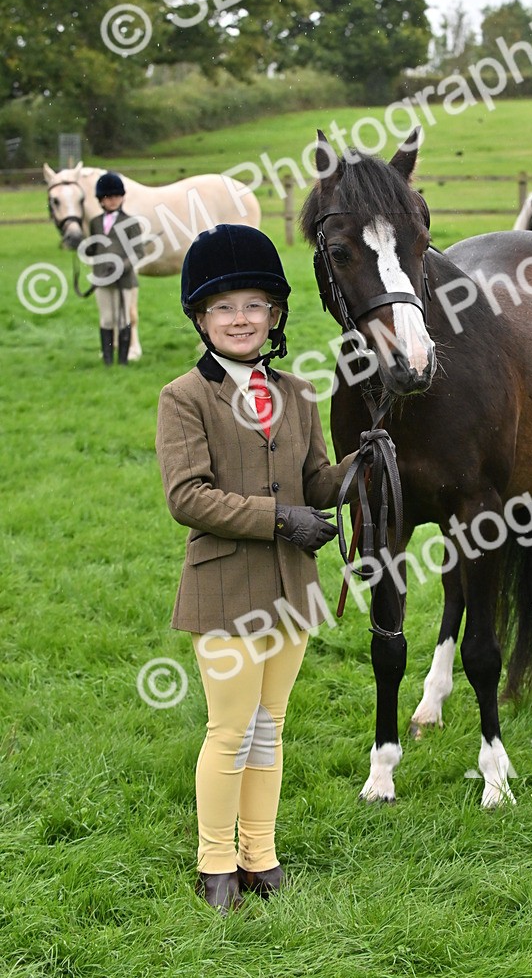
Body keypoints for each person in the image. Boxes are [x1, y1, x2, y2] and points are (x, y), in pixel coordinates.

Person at [155, 224, 357, 916]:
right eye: (223, 308)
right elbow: (189, 497)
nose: (240, 319)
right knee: (230, 728)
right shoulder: (184, 396)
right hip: (225, 586)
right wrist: (281, 521)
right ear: (201, 318)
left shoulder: (298, 393)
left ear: (273, 315)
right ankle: (215, 862)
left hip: (292, 588)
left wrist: (357, 469)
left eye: (253, 305)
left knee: (271, 726)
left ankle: (259, 854)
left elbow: (315, 479)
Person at [85, 172, 143, 365]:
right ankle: (108, 361)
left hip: (124, 279)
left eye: (116, 196)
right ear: (101, 200)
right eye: (108, 197)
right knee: (106, 319)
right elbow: (94, 248)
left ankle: (123, 361)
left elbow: (138, 252)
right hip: (102, 278)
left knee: (123, 318)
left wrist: (121, 267)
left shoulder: (131, 223)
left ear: (122, 197)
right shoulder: (94, 223)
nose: (113, 200)